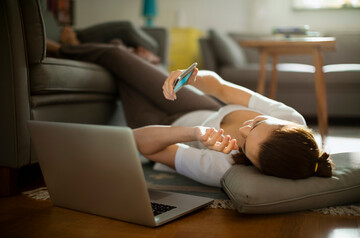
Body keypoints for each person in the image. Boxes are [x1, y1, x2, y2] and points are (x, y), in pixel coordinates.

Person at [46, 27, 334, 187]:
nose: (245, 129)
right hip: (197, 103)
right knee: (118, 57)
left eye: (246, 146)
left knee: (118, 59)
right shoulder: (289, 116)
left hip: (164, 126)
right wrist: (194, 77)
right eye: (258, 123)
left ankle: (66, 47)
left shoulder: (223, 167)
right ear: (286, 125)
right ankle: (118, 54)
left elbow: (142, 144)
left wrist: (194, 133)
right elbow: (221, 88)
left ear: (255, 166)